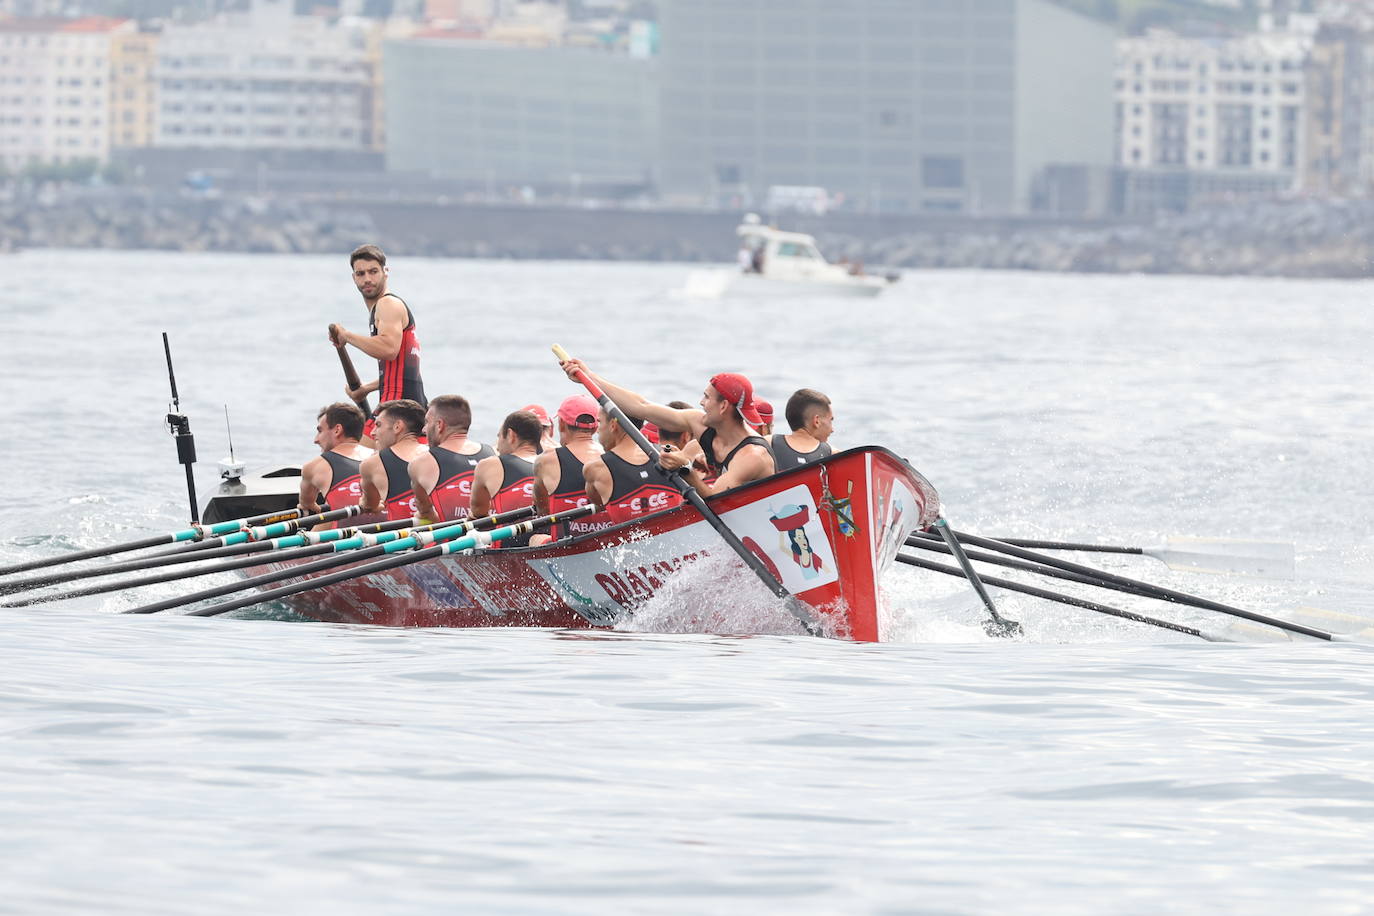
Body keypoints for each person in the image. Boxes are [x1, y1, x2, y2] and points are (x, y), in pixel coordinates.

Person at [558, 359, 774, 497]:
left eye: (706, 397)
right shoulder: (699, 423)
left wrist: (685, 470)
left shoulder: (752, 455)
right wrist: (588, 377)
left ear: (724, 406)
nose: (700, 402)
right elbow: (641, 406)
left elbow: (714, 502)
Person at [328, 244, 427, 443]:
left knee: (343, 451)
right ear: (354, 278)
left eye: (373, 271)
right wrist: (367, 388)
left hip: (396, 412)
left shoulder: (387, 304)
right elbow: (401, 370)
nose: (367, 279)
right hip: (409, 407)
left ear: (386, 272)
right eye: (360, 273)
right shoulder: (382, 310)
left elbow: (388, 349)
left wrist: (346, 335)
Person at [528, 394, 611, 546]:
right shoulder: (610, 456)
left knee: (535, 539)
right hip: (607, 542)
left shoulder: (546, 460)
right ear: (596, 427)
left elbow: (542, 512)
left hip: (566, 546)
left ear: (561, 425)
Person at [583, 408, 684, 522]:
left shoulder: (595, 468)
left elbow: (599, 503)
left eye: (600, 422)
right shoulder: (671, 453)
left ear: (613, 425)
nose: (597, 430)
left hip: (632, 538)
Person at [408, 394, 495, 524]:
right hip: (491, 540)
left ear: (439, 425)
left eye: (427, 422)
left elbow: (426, 514)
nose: (424, 429)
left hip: (450, 541)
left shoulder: (421, 463)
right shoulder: (493, 454)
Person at [469, 410, 541, 547]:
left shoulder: (490, 464)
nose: (497, 446)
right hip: (548, 541)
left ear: (511, 435)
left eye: (499, 437)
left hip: (508, 547)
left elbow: (478, 512)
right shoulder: (552, 463)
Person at [298, 402, 373, 522]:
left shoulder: (314, 467)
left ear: (337, 430)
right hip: (391, 534)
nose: (316, 440)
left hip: (348, 538)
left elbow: (307, 505)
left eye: (320, 431)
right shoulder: (380, 458)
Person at [359, 399, 428, 521]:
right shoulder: (435, 454)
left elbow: (369, 506)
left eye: (378, 425)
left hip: (405, 538)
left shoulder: (373, 463)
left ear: (397, 427)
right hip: (447, 535)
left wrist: (368, 503)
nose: (372, 432)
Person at [770, 388, 835, 468]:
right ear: (817, 421)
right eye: (830, 420)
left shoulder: (767, 444)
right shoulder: (832, 454)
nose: (832, 430)